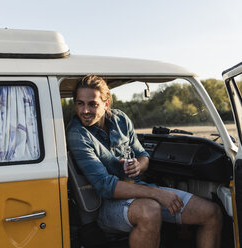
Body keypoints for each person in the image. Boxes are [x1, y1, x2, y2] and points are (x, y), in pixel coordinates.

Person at [66, 75, 222, 248]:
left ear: (106, 103)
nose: (85, 110)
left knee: (211, 213)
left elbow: (142, 154)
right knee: (149, 210)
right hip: (106, 206)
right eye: (80, 103)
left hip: (142, 190)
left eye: (92, 104)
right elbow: (105, 185)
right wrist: (158, 194)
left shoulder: (121, 120)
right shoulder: (77, 133)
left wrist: (140, 164)